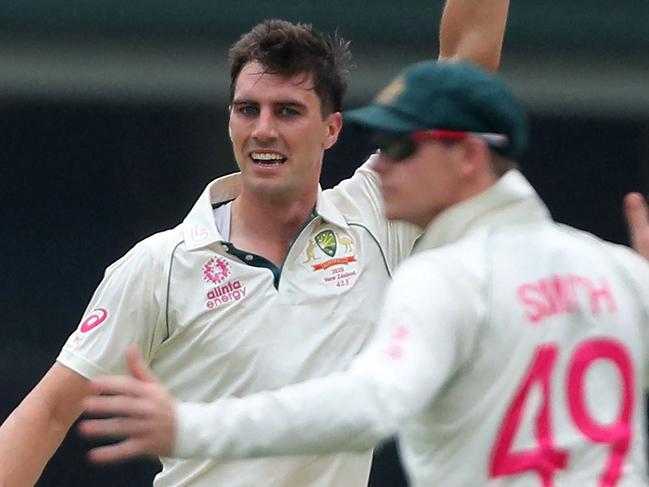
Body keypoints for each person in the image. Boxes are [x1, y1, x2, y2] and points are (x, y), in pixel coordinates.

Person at [0, 2, 511, 486]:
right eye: (248, 109)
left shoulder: (374, 220)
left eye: (287, 112)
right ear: (230, 120)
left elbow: (466, 69)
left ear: (331, 129)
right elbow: (48, 412)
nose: (263, 130)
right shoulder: (161, 265)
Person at [80, 61, 649, 487]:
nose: (384, 163)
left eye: (403, 147)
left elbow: (370, 403)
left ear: (469, 158)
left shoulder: (446, 279)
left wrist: (192, 429)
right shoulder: (619, 272)